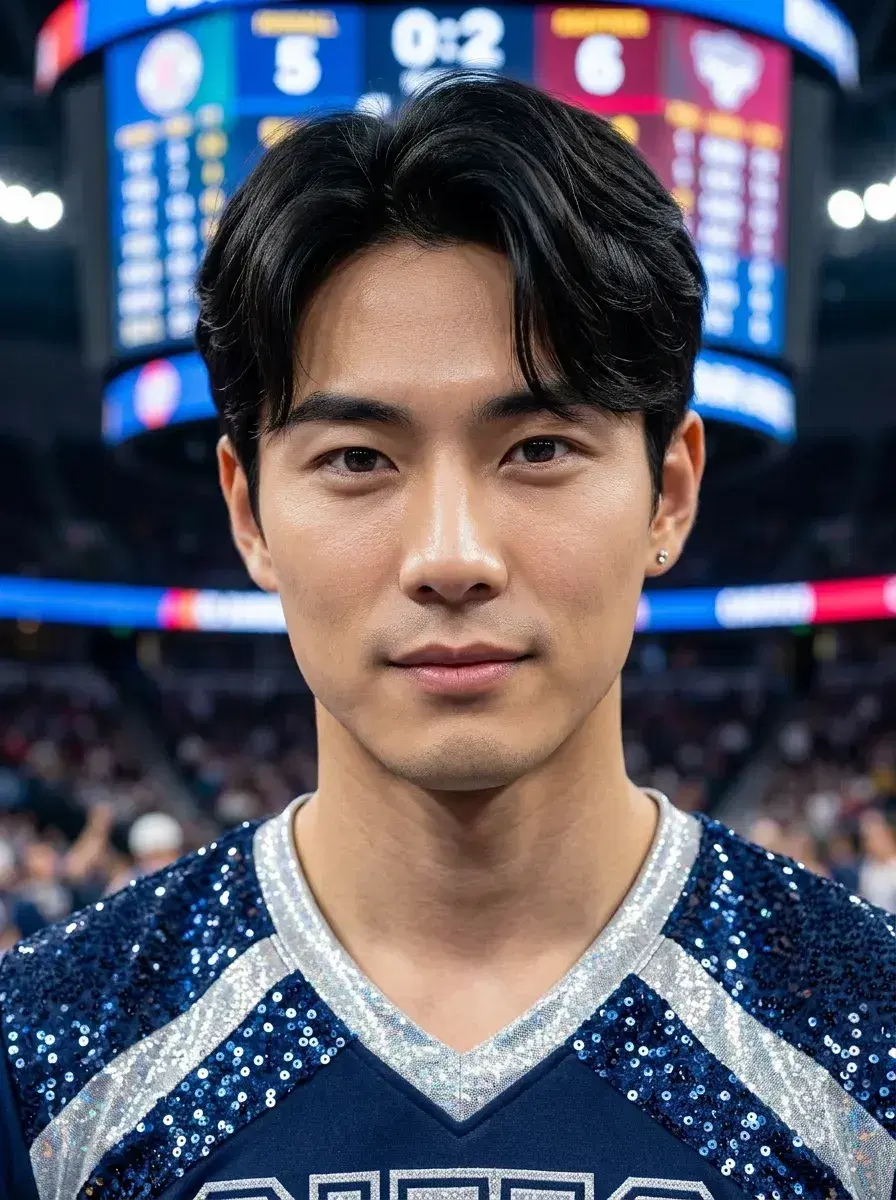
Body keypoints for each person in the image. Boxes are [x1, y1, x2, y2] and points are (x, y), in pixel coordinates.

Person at [1, 76, 894, 1200]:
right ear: (247, 513)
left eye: (536, 449)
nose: (450, 554)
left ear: (667, 491)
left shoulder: (869, 1034)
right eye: (357, 461)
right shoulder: (48, 1053)